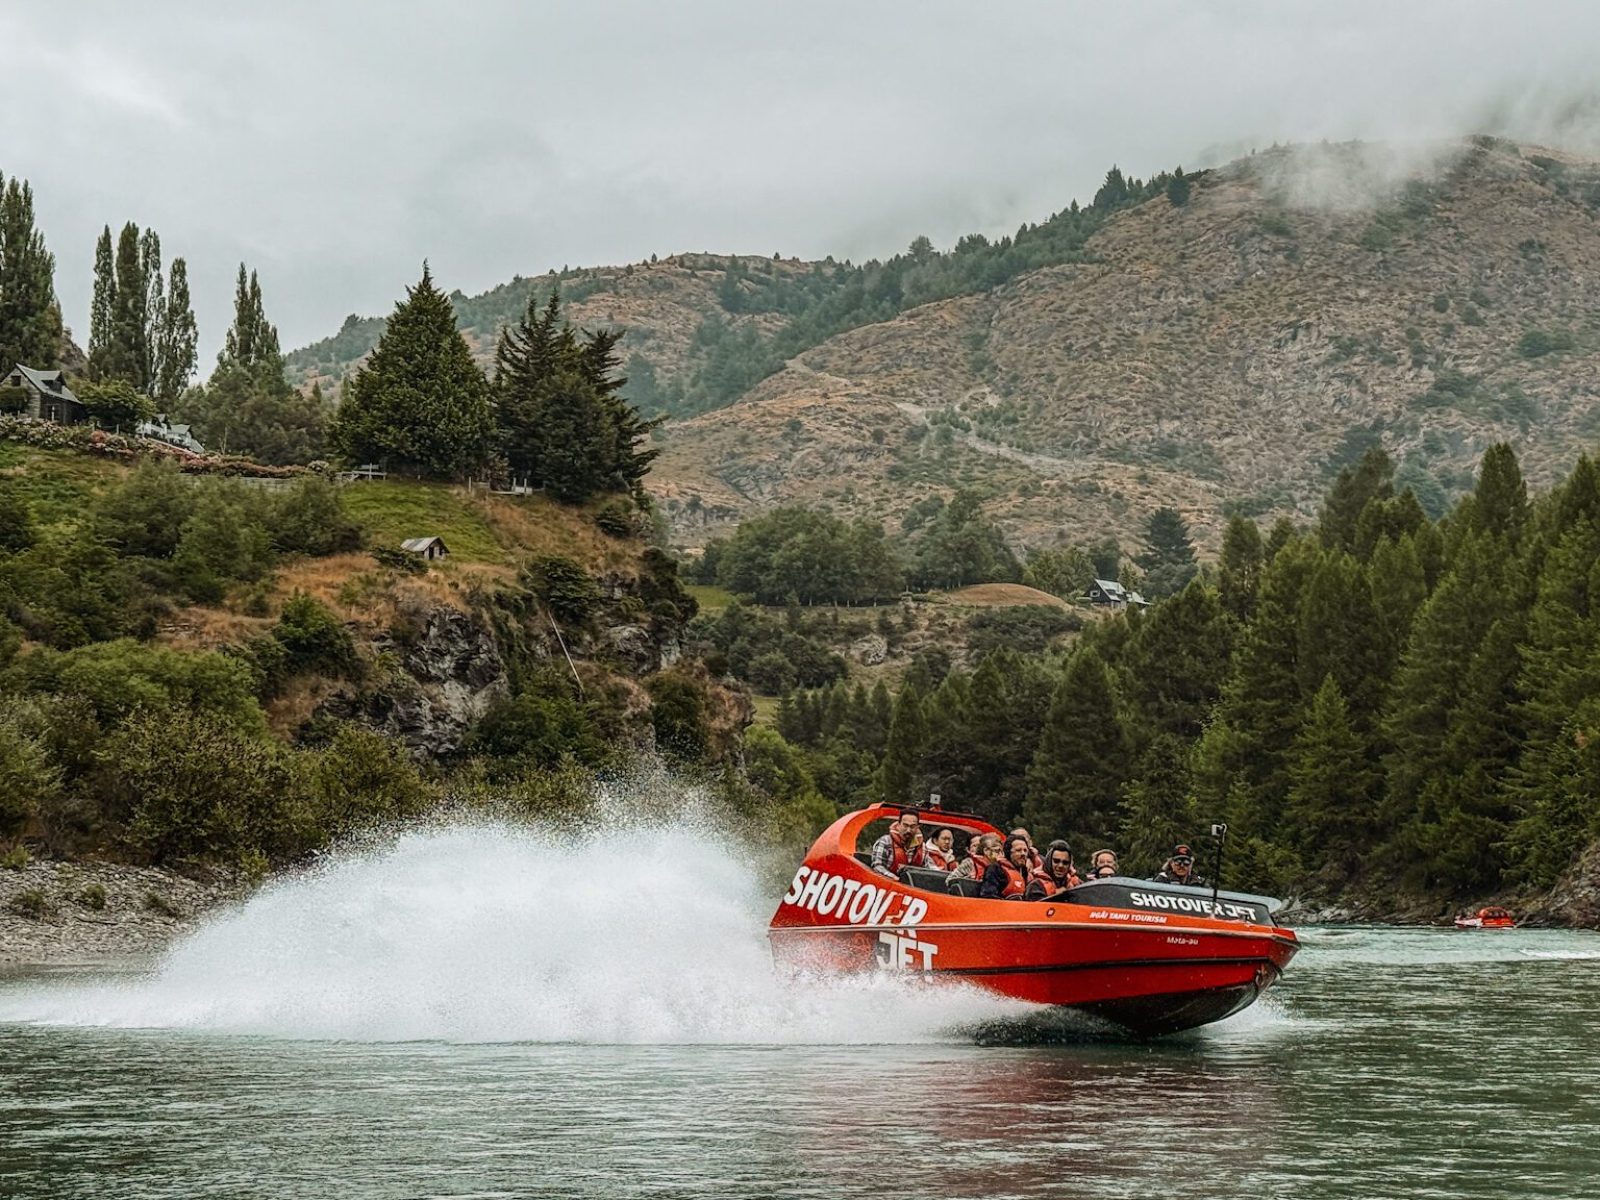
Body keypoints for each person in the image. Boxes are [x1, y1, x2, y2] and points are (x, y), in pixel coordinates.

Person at [870, 810, 927, 879]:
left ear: (917, 827)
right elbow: (877, 866)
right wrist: (896, 879)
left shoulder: (923, 848)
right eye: (905, 825)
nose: (908, 830)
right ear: (898, 825)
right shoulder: (885, 841)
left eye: (912, 826)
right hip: (887, 882)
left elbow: (928, 871)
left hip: (912, 884)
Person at [980, 835, 1034, 899]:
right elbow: (988, 895)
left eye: (1025, 850)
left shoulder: (1024, 872)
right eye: (1018, 850)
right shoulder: (995, 869)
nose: (1023, 854)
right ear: (1008, 852)